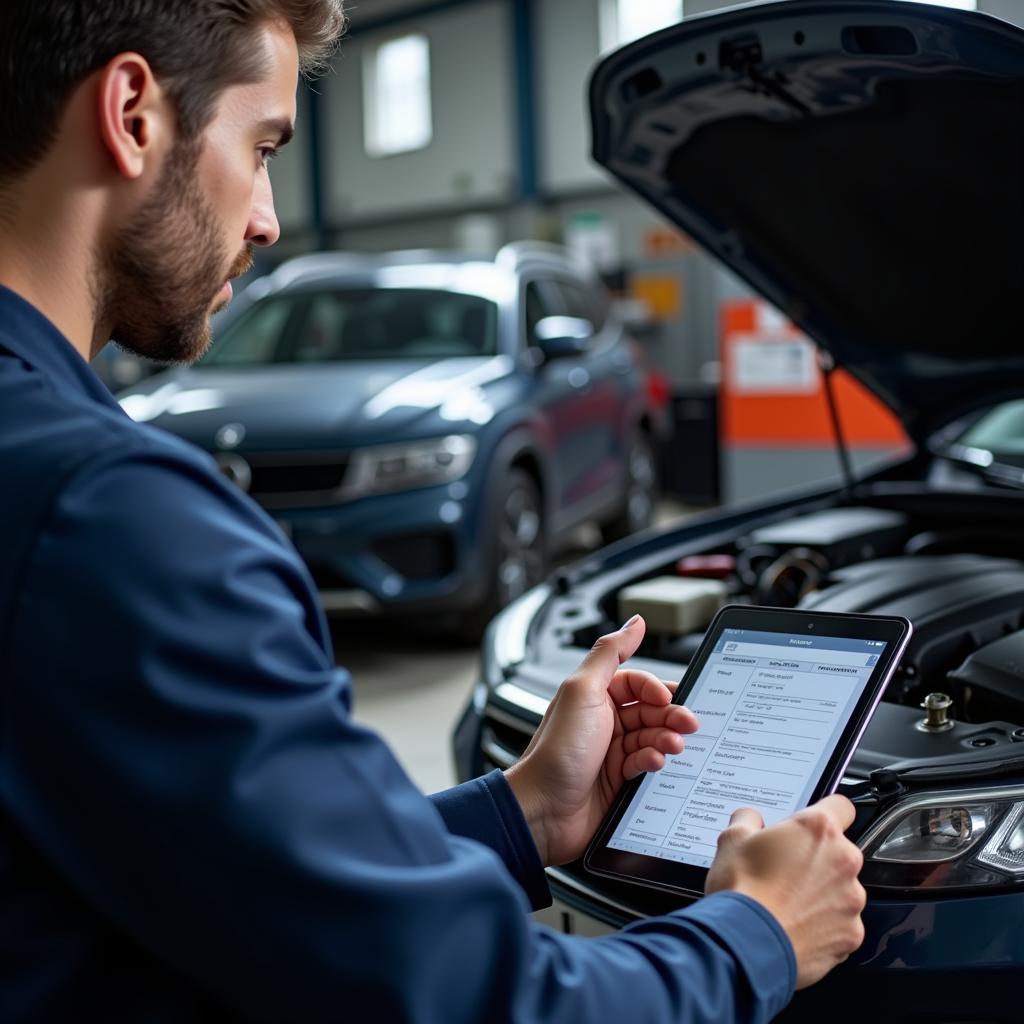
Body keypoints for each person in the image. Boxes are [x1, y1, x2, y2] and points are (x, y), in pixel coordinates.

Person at [0, 2, 866, 1021]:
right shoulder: (109, 517)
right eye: (262, 144)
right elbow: (479, 1002)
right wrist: (756, 931)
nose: (268, 217)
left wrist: (521, 812)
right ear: (133, 112)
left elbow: (237, 879)